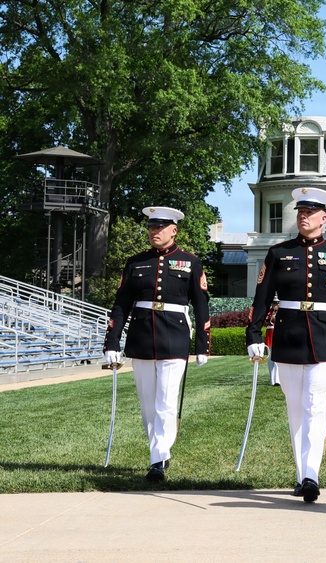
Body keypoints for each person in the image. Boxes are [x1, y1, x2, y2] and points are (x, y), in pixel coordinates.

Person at [246, 187, 326, 503]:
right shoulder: (278, 253)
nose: (303, 216)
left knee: (314, 403)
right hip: (288, 334)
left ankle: (311, 474)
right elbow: (261, 298)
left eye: (310, 212)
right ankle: (303, 474)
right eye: (300, 211)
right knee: (295, 407)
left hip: (324, 335)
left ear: (325, 218)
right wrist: (254, 334)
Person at [103, 206, 210, 482]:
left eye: (160, 227)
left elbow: (201, 306)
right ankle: (159, 453)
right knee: (148, 404)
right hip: (141, 336)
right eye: (151, 227)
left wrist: (202, 345)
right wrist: (112, 341)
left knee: (165, 401)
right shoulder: (135, 262)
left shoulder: (190, 262)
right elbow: (121, 306)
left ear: (173, 230)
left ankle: (158, 459)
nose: (154, 232)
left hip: (173, 337)